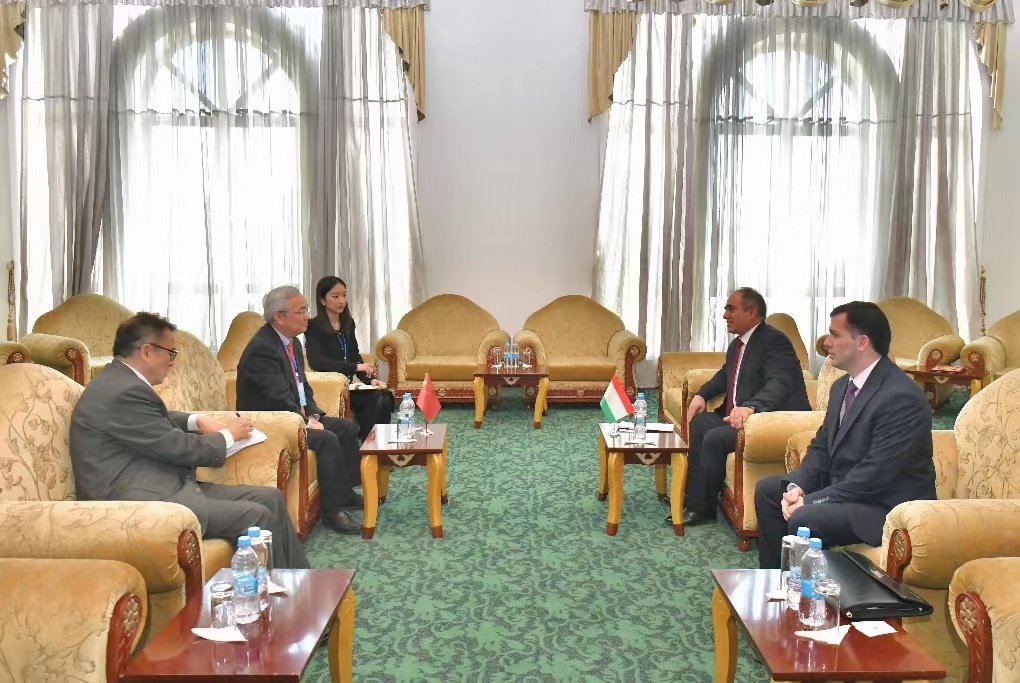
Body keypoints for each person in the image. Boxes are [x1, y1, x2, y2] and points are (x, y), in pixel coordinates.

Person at [69, 312, 309, 569]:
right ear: (147, 351)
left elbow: (151, 419)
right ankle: (276, 591)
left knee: (270, 497)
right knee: (257, 515)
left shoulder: (119, 381)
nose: (172, 362)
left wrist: (197, 420)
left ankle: (300, 581)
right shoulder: (124, 391)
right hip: (139, 503)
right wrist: (228, 435)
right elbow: (179, 448)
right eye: (170, 353)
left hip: (161, 484)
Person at [754, 301, 935, 569]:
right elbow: (821, 447)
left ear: (862, 342)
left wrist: (810, 501)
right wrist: (798, 487)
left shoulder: (901, 397)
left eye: (834, 335)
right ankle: (776, 581)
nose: (826, 342)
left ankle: (802, 591)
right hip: (851, 491)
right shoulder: (841, 387)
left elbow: (874, 475)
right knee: (769, 490)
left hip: (885, 507)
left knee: (805, 518)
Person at [669, 287, 811, 528]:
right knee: (700, 424)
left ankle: (702, 509)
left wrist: (752, 406)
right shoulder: (739, 344)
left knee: (714, 438)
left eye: (731, 309)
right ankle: (691, 497)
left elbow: (780, 382)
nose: (725, 315)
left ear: (752, 312)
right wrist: (702, 395)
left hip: (768, 421)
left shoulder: (774, 341)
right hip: (738, 418)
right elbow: (726, 374)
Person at [235, 285, 363, 535]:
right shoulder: (262, 349)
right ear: (279, 317)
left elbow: (302, 385)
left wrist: (313, 414)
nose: (307, 316)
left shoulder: (291, 341)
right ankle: (333, 512)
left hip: (293, 414)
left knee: (346, 426)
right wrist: (305, 421)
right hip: (271, 423)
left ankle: (344, 492)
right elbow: (276, 399)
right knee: (326, 439)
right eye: (301, 311)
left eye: (306, 309)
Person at [305, 276, 394, 441]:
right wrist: (354, 367)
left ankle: (378, 444)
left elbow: (354, 356)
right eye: (335, 296)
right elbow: (317, 362)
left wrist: (370, 380)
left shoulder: (347, 323)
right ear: (323, 300)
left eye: (344, 295)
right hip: (332, 388)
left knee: (384, 395)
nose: (341, 300)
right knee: (375, 400)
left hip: (350, 387)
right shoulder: (314, 327)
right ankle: (368, 444)